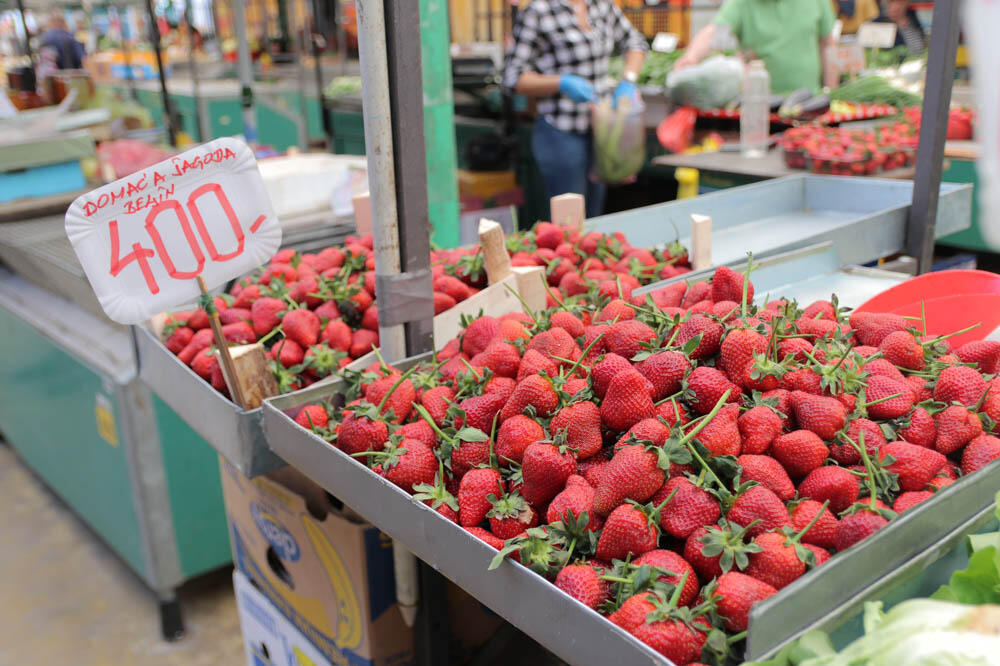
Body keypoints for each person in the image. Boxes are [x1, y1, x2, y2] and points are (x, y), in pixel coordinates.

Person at [503, 0, 648, 218]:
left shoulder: (602, 5)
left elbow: (635, 41)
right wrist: (561, 82)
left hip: (601, 131)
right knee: (570, 222)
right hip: (560, 132)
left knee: (594, 218)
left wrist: (628, 79)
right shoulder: (539, 11)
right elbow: (513, 78)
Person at [675, 0, 838, 93]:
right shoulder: (742, 3)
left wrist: (832, 92)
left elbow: (828, 45)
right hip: (759, 107)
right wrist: (692, 57)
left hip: (809, 104)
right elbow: (716, 32)